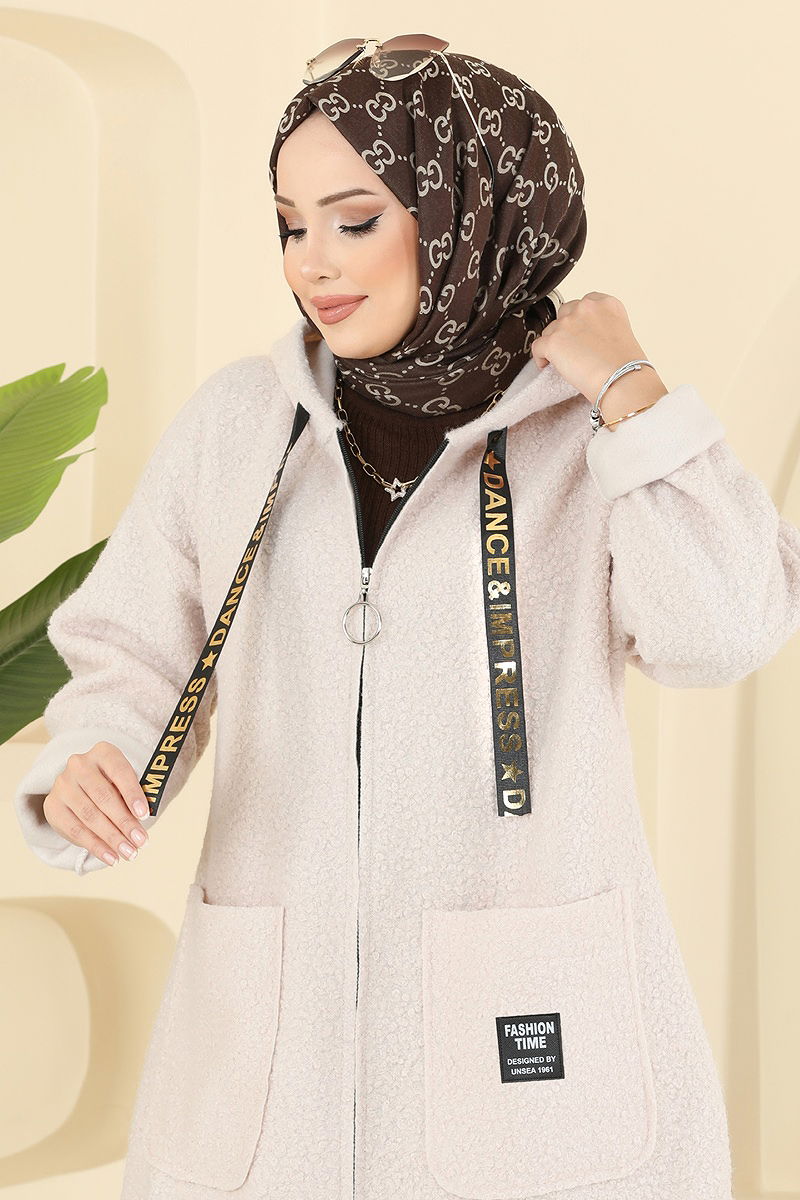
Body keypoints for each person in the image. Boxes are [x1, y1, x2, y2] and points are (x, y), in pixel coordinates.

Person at [13, 41, 800, 1200]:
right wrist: (94, 761)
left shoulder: (589, 437)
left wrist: (631, 393)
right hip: (267, 1072)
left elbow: (722, 631)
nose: (311, 263)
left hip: (530, 1051)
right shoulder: (237, 424)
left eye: (353, 220)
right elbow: (130, 654)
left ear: (468, 213)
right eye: (289, 225)